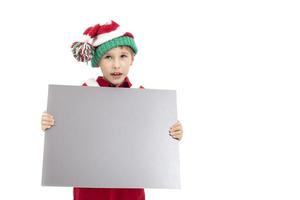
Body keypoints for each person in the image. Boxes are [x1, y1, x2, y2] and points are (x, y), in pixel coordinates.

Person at [41, 20, 183, 200]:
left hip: (129, 188)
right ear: (98, 61)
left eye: (123, 56)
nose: (116, 65)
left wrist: (172, 133)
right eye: (108, 57)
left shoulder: (143, 98)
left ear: (132, 59)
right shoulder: (83, 94)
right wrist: (51, 124)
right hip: (89, 187)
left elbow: (153, 140)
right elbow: (68, 136)